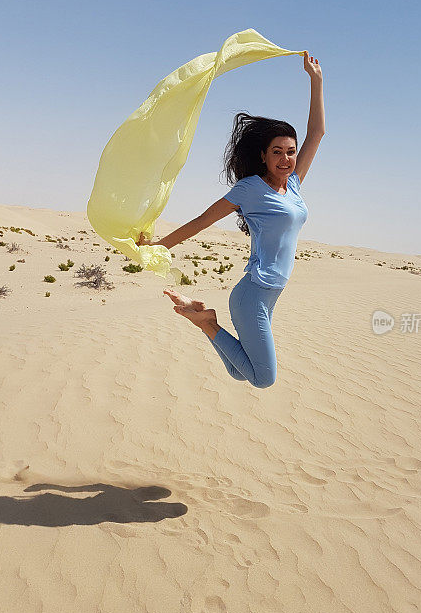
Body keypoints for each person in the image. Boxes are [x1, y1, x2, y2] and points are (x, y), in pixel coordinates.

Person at [138, 51, 325, 388]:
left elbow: (317, 133)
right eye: (277, 152)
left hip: (271, 295)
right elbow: (202, 220)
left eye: (290, 151)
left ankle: (206, 320)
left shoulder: (293, 185)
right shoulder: (251, 188)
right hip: (252, 292)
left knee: (239, 370)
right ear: (263, 156)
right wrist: (158, 246)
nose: (286, 158)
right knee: (263, 378)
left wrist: (316, 81)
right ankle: (206, 322)